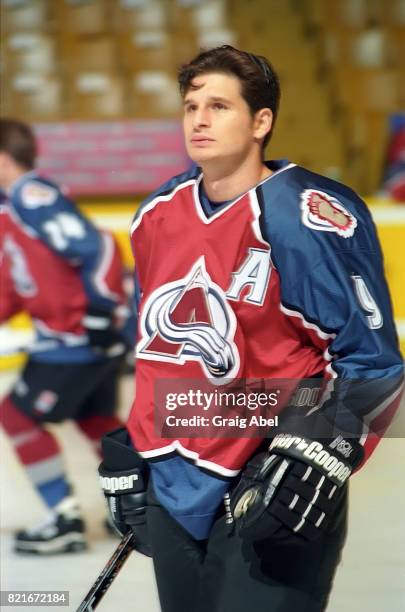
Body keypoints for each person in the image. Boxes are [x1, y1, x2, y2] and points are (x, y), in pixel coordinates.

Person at [98, 46, 404, 611]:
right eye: (191, 106)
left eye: (219, 105)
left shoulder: (306, 215)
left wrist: (322, 448)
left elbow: (373, 361)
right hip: (174, 485)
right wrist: (137, 448)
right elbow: (160, 351)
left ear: (261, 121)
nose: (199, 120)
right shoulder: (157, 213)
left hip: (271, 480)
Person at [0, 119, 133, 555]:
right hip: (81, 338)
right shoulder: (13, 205)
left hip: (74, 340)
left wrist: (98, 311)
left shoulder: (30, 196)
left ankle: (63, 517)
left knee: (17, 416)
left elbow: (103, 247)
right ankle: (139, 508)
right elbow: (20, 282)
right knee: (94, 420)